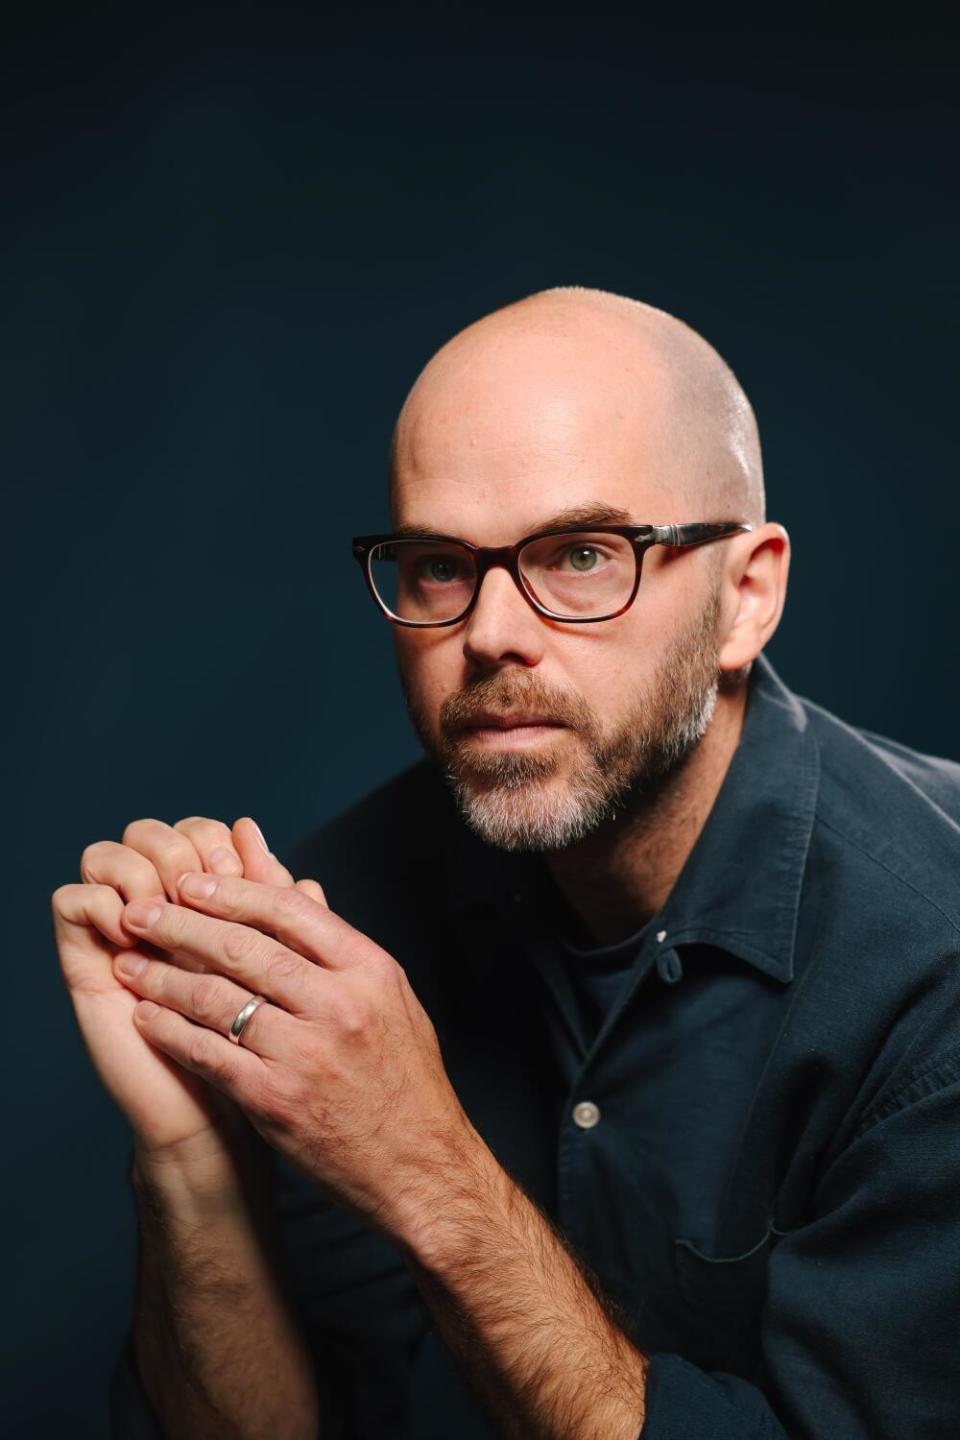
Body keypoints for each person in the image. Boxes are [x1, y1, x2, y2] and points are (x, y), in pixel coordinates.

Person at [53, 287, 960, 1439]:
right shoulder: (351, 910)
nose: (488, 632)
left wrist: (425, 1172)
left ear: (747, 595)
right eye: (438, 564)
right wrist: (192, 1156)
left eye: (582, 554)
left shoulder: (936, 967)